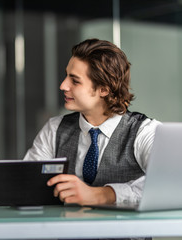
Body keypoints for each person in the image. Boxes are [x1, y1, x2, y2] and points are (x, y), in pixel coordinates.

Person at [24, 38, 161, 206]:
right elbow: (27, 186)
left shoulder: (145, 131)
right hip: (67, 232)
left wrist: (103, 194)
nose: (63, 85)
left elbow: (169, 181)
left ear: (104, 89)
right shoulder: (54, 128)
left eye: (75, 81)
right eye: (66, 76)